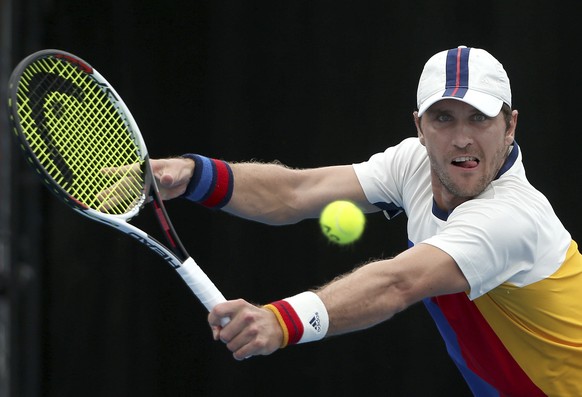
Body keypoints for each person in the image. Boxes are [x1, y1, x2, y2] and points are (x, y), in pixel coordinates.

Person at [150, 46, 582, 396]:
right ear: (419, 126)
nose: (463, 137)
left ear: (510, 126)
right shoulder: (414, 163)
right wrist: (191, 175)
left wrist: (281, 321)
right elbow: (295, 193)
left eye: (480, 118)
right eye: (443, 118)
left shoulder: (512, 216)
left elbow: (397, 282)